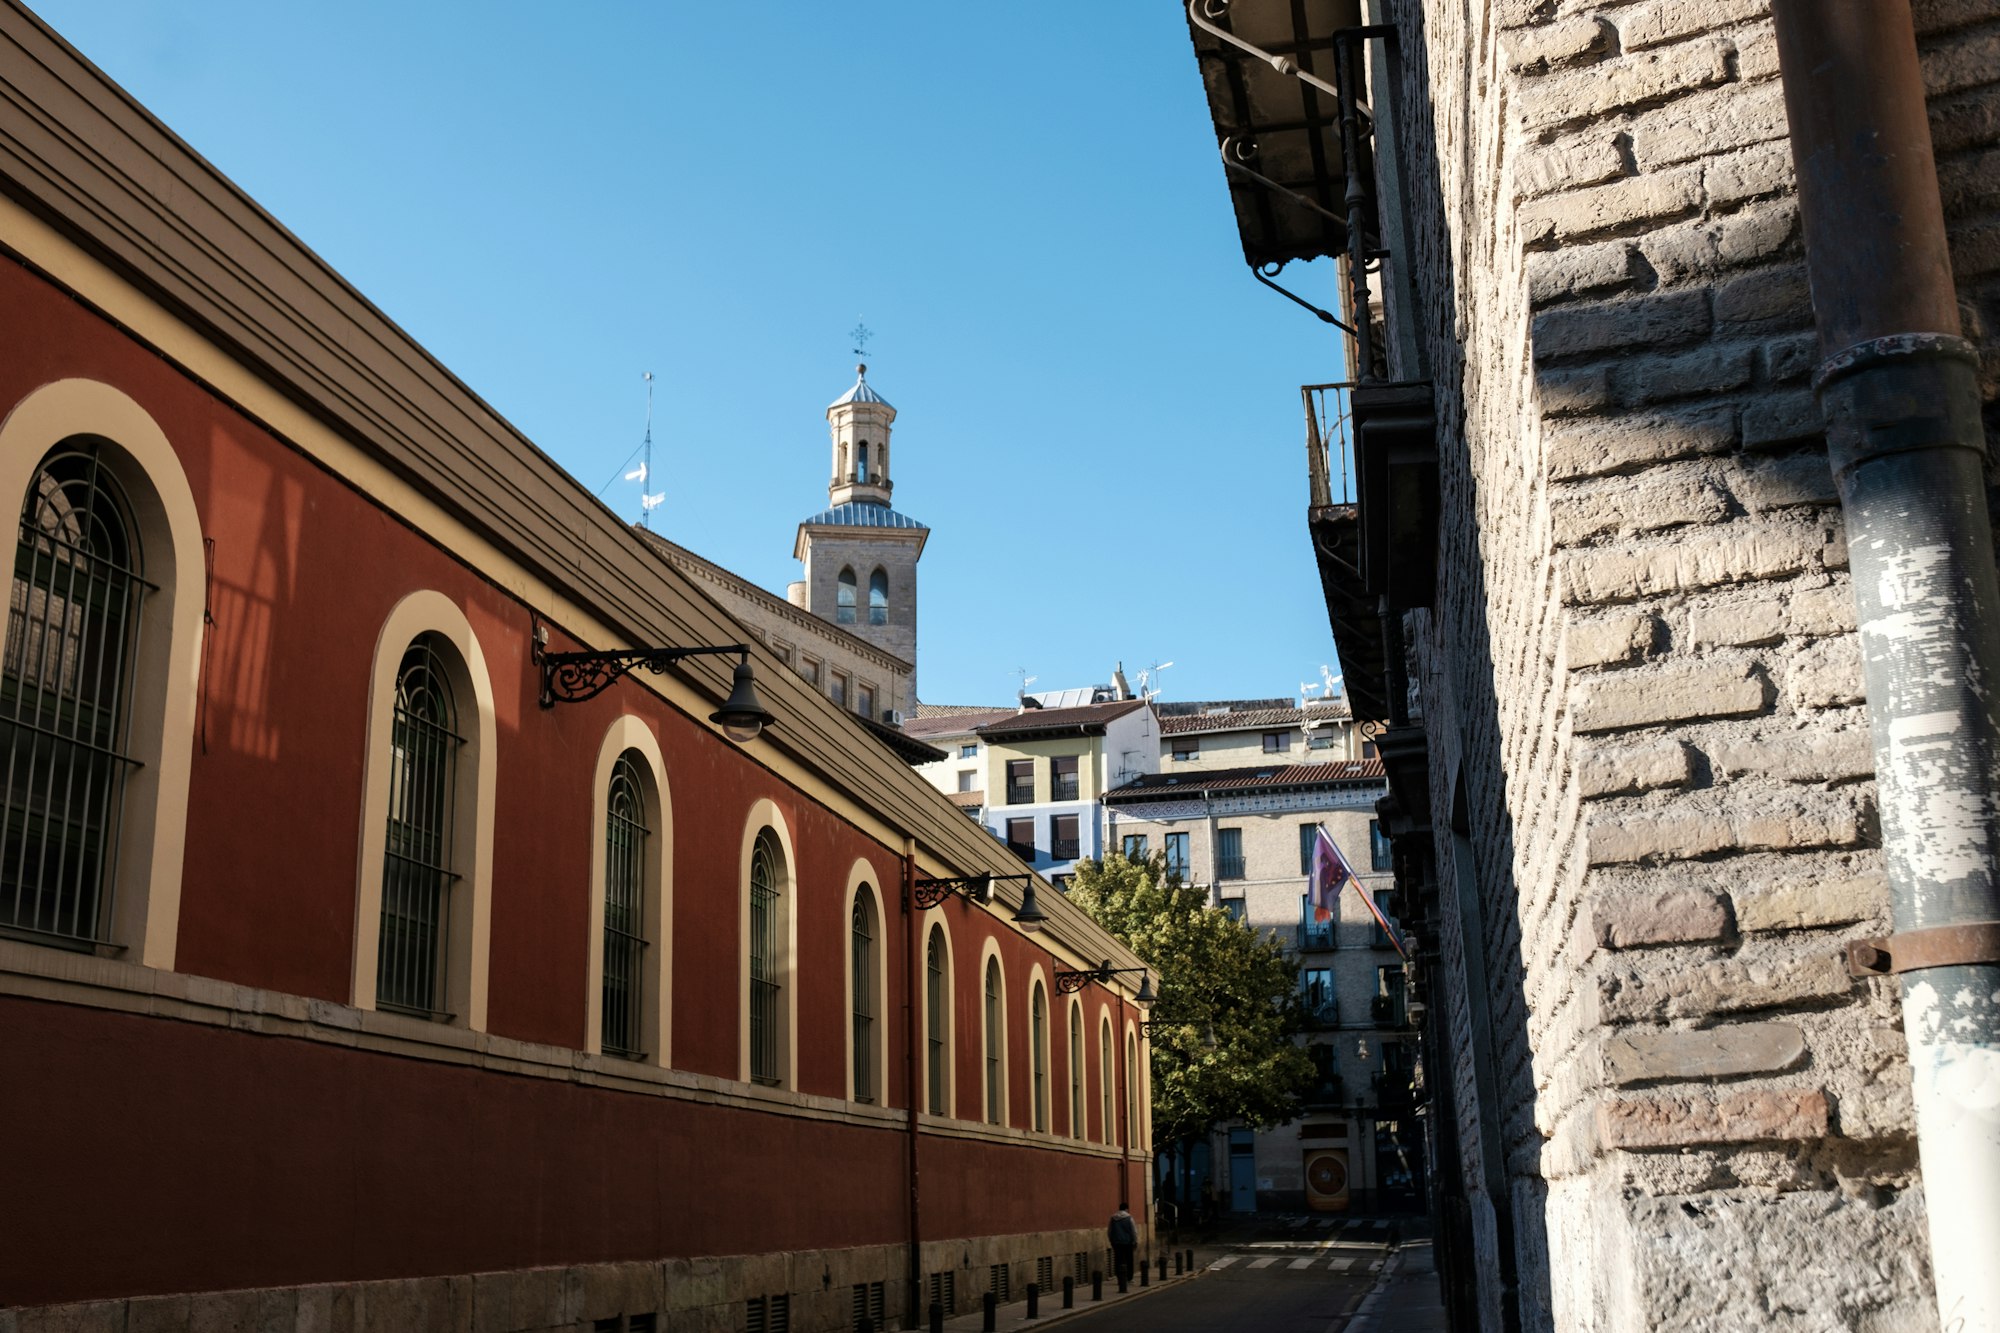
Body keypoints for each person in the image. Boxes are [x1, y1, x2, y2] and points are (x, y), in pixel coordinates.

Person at [1108, 1204, 1138, 1292]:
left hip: (1117, 1242)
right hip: (1127, 1242)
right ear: (1126, 1209)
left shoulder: (1113, 1218)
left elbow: (1109, 1231)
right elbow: (1133, 1231)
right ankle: (1129, 1278)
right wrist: (1135, 1241)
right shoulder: (1129, 1218)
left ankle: (1119, 1278)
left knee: (1118, 1260)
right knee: (1129, 1260)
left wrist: (1111, 1240)